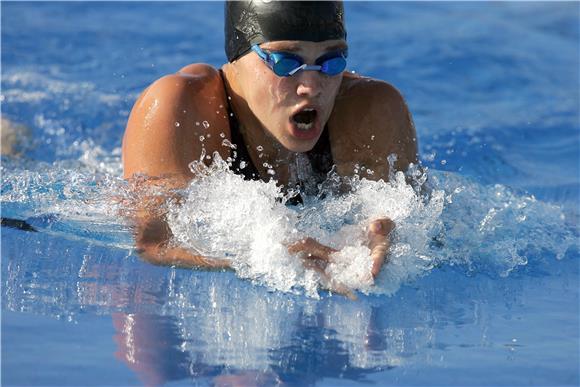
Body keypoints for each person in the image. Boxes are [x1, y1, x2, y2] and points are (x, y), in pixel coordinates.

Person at [122, 1, 418, 289]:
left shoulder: (372, 111)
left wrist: (391, 238)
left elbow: (423, 224)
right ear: (237, 56)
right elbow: (154, 242)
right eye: (286, 61)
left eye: (331, 62)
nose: (312, 86)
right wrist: (260, 255)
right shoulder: (179, 109)